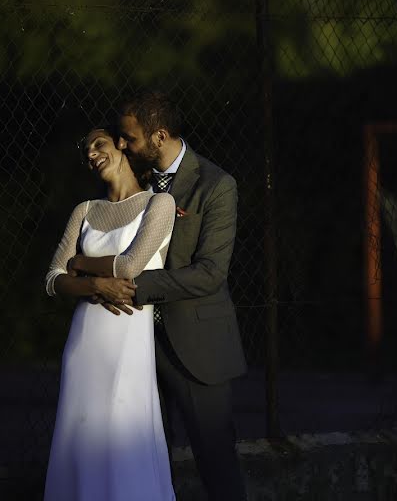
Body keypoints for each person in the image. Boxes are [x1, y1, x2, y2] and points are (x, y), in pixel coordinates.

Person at [110, 91, 248, 500]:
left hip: (196, 348)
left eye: (129, 138)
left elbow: (210, 273)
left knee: (217, 465)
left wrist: (133, 288)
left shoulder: (216, 185)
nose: (122, 145)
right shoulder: (131, 181)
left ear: (160, 135)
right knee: (147, 464)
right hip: (135, 343)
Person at [43, 126, 177, 501]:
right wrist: (94, 286)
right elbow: (54, 278)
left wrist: (80, 262)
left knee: (124, 430)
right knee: (80, 435)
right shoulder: (84, 210)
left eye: (98, 143)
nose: (91, 153)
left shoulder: (159, 204)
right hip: (85, 342)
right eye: (86, 149)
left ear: (121, 145)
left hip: (130, 339)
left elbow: (131, 265)